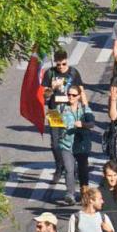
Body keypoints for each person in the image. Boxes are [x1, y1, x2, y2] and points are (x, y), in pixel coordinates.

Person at [42, 50, 85, 184]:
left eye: (63, 64)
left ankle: (73, 170)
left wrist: (85, 108)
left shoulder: (73, 72)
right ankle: (59, 167)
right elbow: (44, 95)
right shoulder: (50, 73)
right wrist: (52, 88)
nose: (61, 67)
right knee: (55, 144)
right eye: (58, 64)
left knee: (72, 142)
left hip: (70, 110)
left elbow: (81, 91)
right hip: (54, 111)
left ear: (67, 61)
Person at [56, 86, 94, 205]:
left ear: (78, 96)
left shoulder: (85, 108)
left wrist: (82, 124)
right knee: (69, 169)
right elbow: (53, 122)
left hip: (81, 144)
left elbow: (92, 124)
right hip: (66, 143)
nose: (70, 97)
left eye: (73, 95)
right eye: (69, 94)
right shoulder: (61, 108)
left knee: (83, 169)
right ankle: (70, 194)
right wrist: (59, 125)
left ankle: (84, 193)